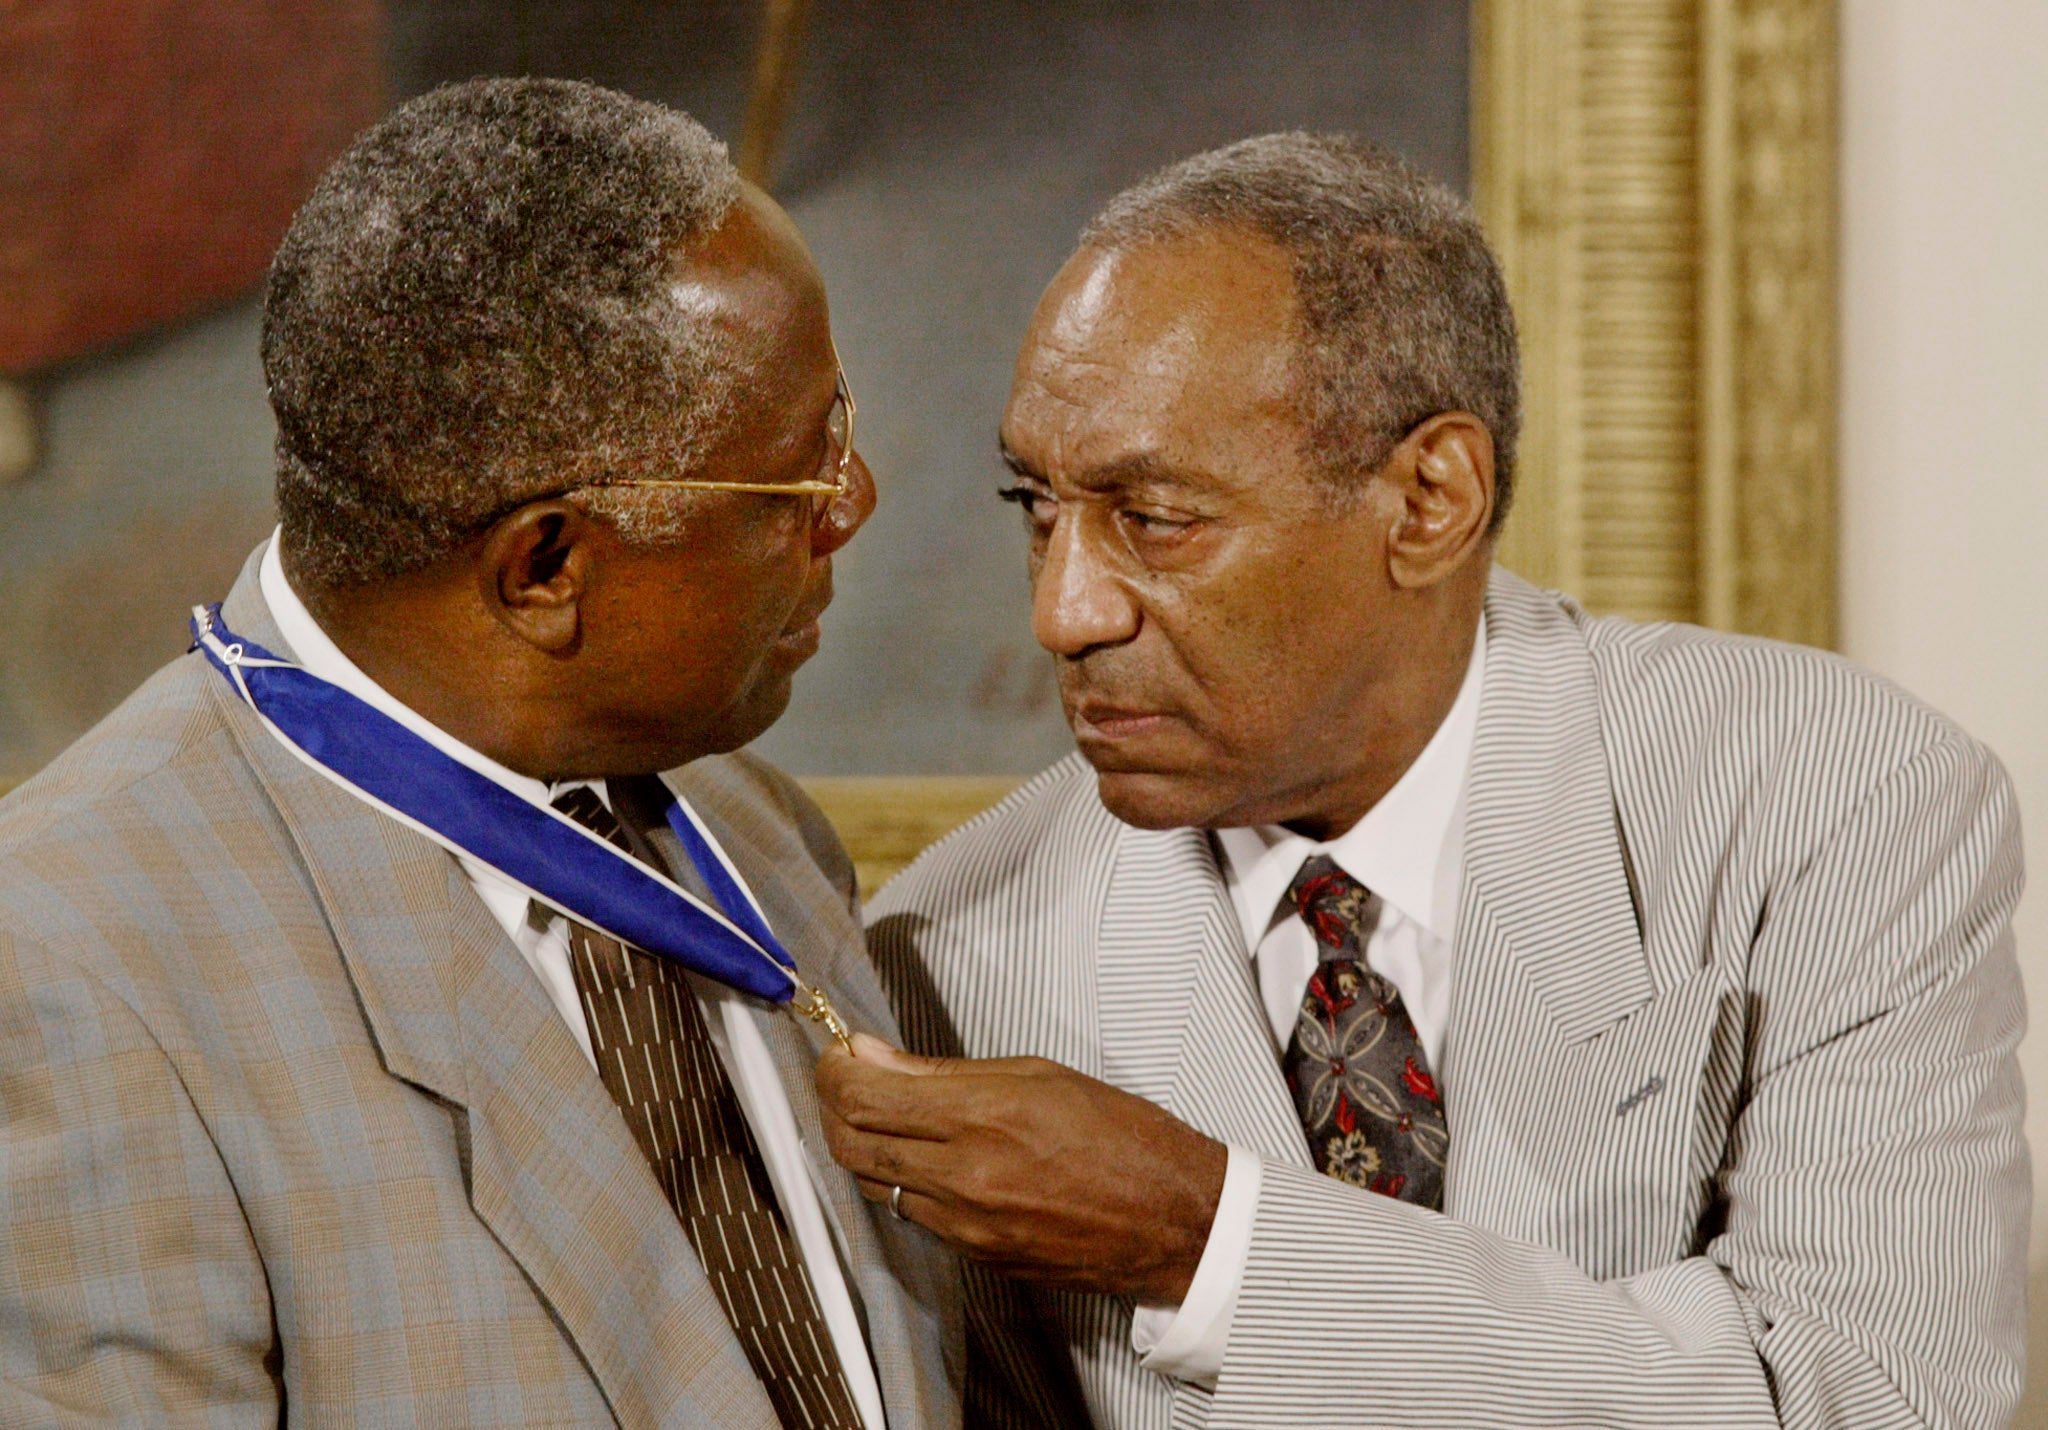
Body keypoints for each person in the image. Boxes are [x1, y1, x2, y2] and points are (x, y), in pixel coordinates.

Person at [816, 133, 2028, 1429]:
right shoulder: (941, 961)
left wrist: (1214, 1248)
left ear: (1430, 497)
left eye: (1154, 517)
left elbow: (1885, 1401)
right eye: (1036, 508)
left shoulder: (1828, 796)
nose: (1065, 611)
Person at [0, 79, 960, 1427]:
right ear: (548, 566)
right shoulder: (69, 959)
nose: (852, 505)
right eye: (802, 475)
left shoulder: (757, 829)